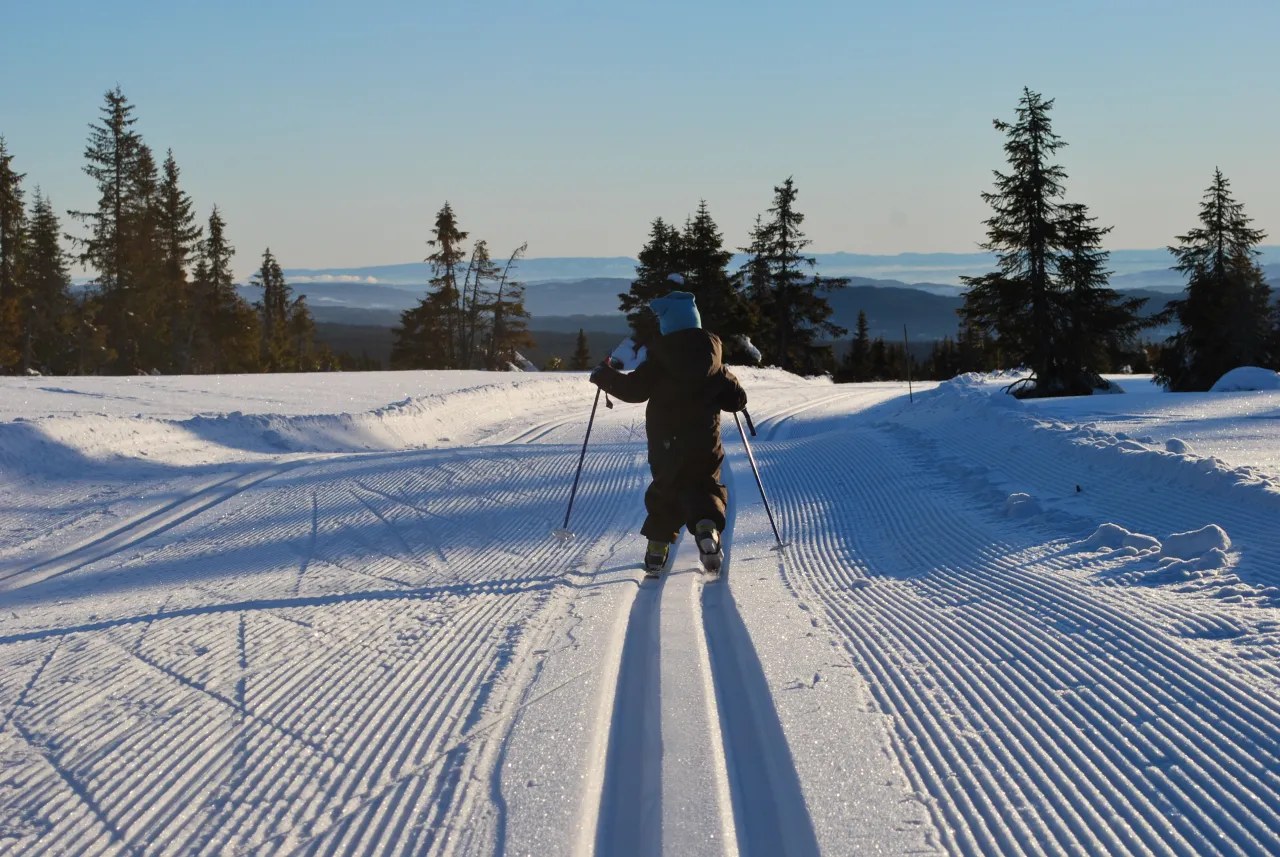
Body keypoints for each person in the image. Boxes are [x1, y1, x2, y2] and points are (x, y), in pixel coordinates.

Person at [589, 277, 748, 575]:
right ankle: (706, 528)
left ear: (668, 326)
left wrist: (604, 375)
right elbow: (737, 401)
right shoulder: (714, 362)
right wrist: (729, 380)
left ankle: (657, 550)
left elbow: (634, 391)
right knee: (704, 485)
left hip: (665, 441)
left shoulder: (660, 359)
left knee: (667, 489)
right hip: (705, 440)